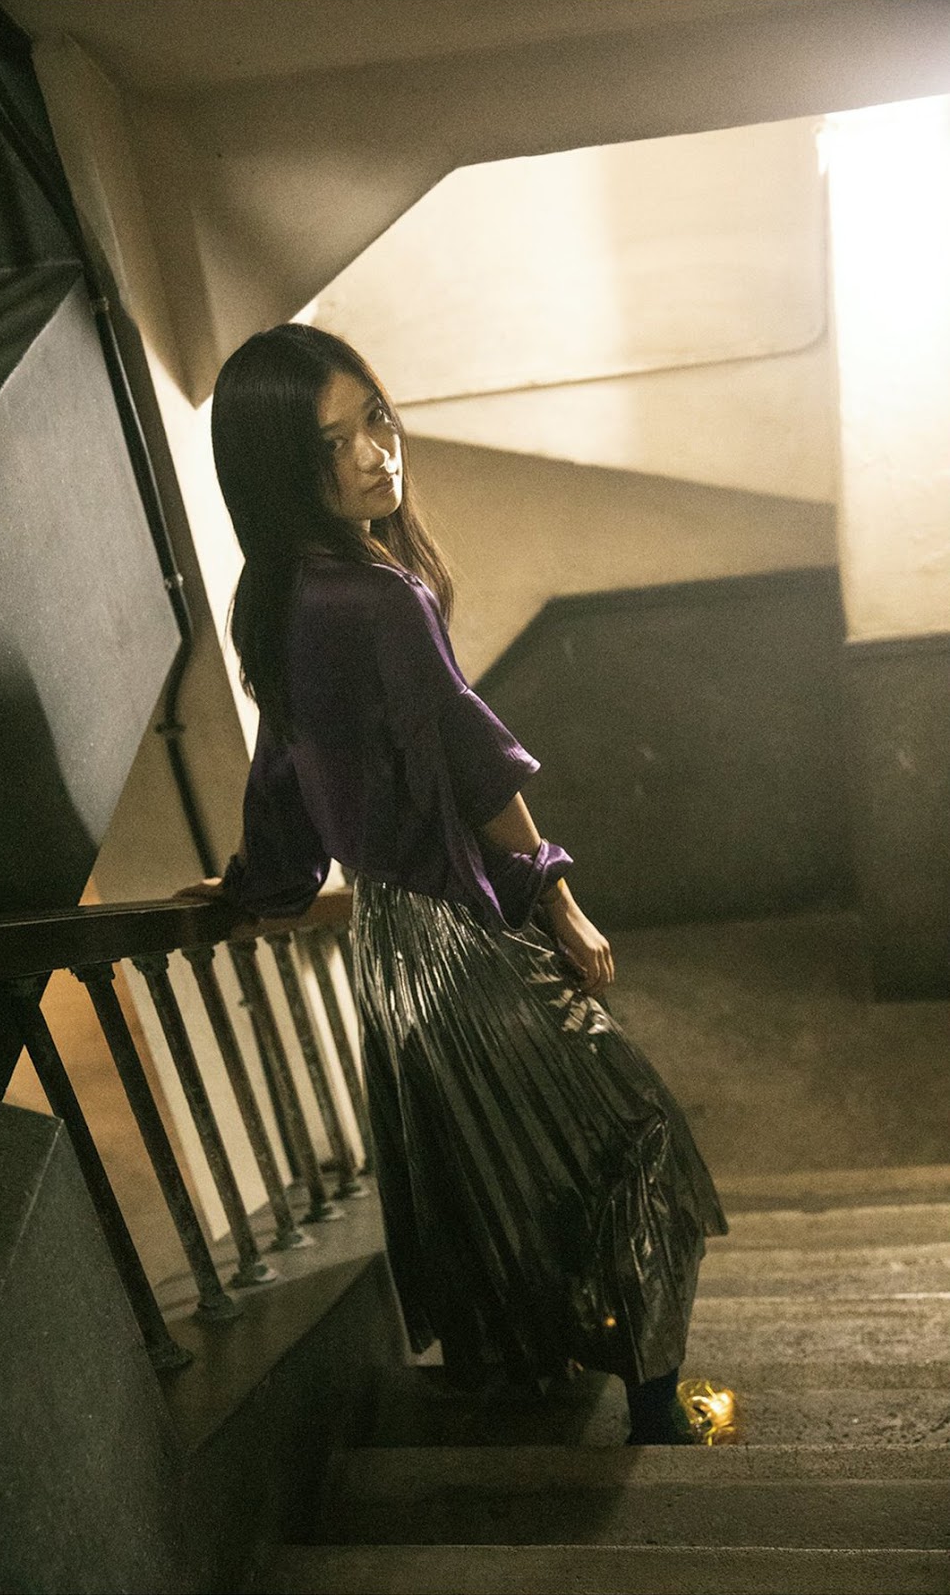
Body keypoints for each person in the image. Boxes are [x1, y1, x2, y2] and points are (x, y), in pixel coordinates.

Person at [204, 322, 727, 1445]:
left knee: (497, 1169)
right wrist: (556, 898)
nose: (373, 454)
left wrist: (256, 883)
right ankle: (653, 1407)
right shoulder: (378, 598)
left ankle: (554, 1382)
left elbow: (282, 770)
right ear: (280, 472)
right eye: (329, 445)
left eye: (375, 420)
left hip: (387, 953)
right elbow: (471, 757)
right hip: (451, 936)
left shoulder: (276, 596)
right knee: (630, 1128)